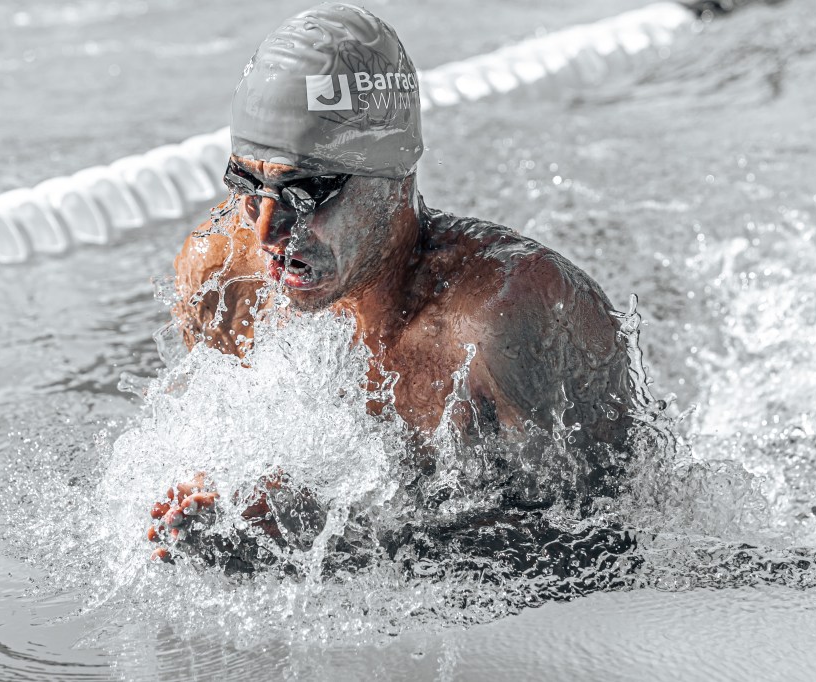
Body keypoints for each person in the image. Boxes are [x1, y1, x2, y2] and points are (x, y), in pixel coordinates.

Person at [148, 3, 641, 570]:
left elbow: (609, 545)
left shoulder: (507, 315)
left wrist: (333, 545)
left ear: (393, 176)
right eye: (247, 183)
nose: (267, 231)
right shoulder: (224, 279)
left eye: (305, 192)